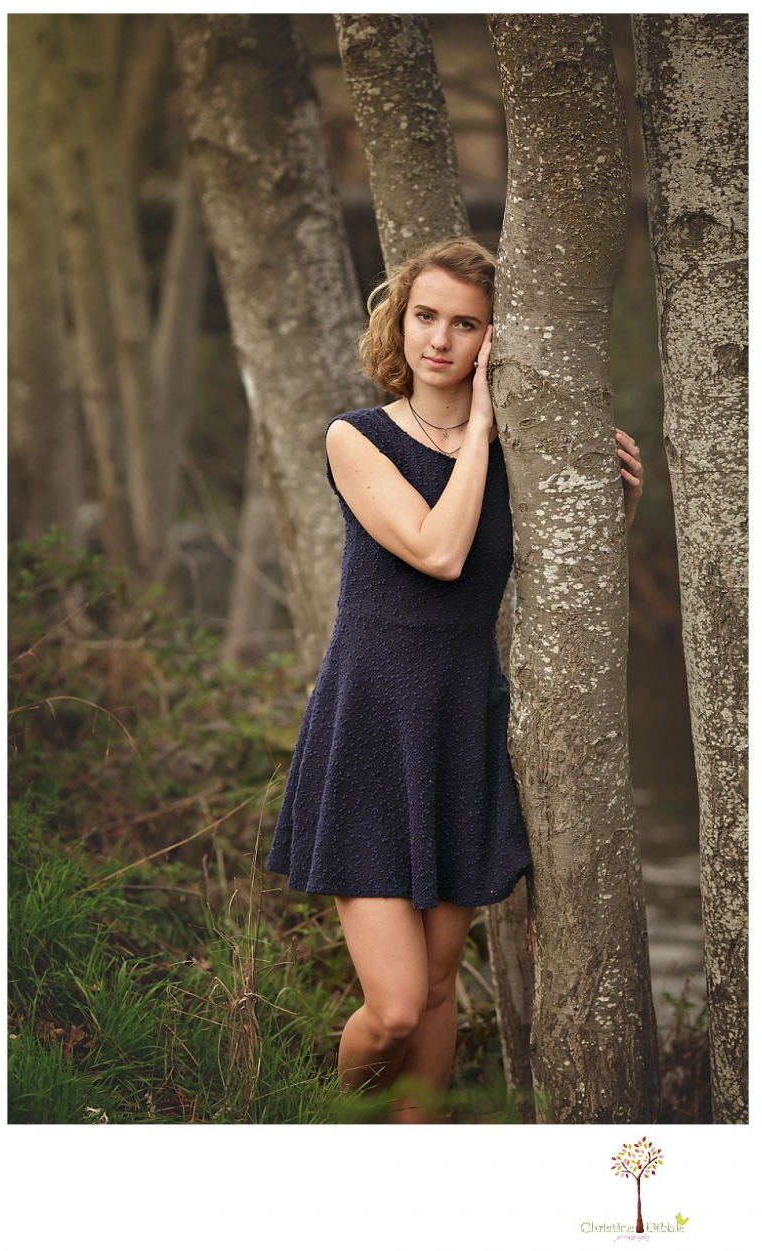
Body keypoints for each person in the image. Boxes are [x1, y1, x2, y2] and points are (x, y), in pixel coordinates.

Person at [266, 238, 643, 1123]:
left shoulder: (513, 465)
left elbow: (559, 595)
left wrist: (611, 511)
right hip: (371, 723)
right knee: (393, 1007)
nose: (439, 339)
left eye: (465, 324)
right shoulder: (355, 438)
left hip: (461, 724)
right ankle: (329, 1124)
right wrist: (479, 428)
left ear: (491, 339)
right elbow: (439, 550)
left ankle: (414, 1167)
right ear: (401, 319)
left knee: (438, 989)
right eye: (425, 316)